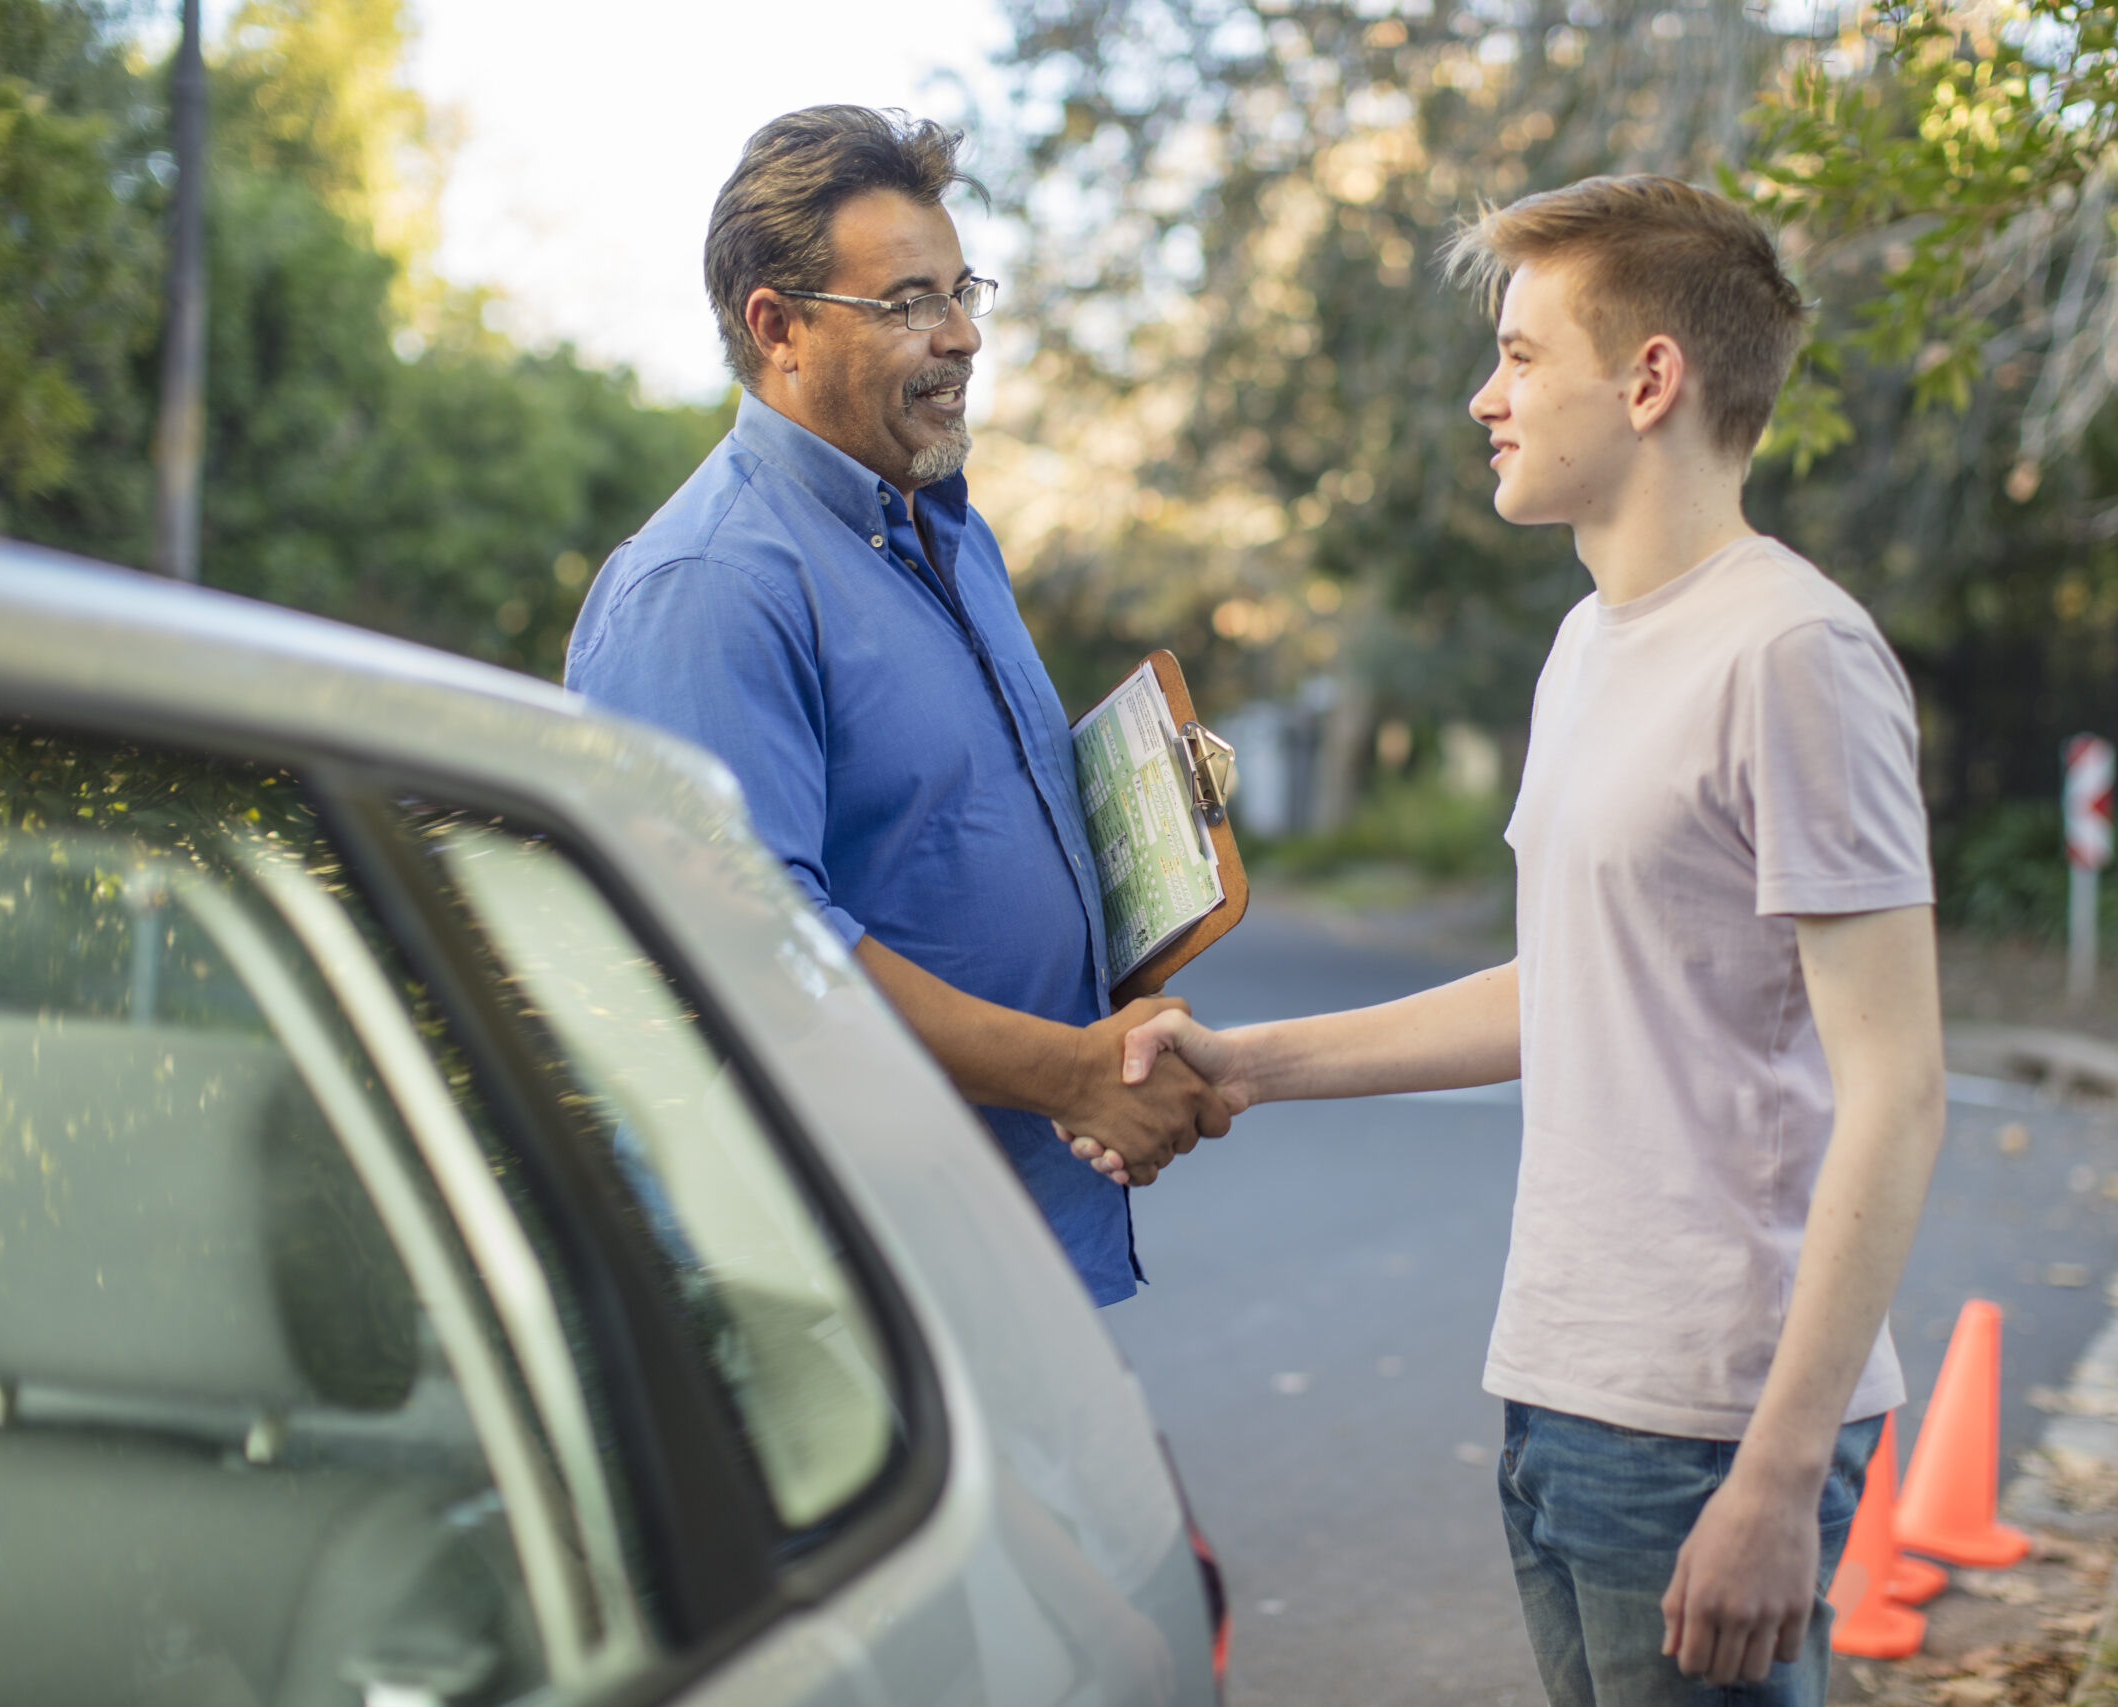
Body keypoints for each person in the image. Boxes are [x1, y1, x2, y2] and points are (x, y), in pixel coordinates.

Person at [1081, 176, 1948, 1704]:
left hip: (1711, 1420)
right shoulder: (1586, 644)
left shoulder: (1793, 654)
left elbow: (1900, 1086)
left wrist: (1775, 1470)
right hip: (1565, 1385)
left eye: (1522, 355)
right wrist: (1250, 1062)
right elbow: (1579, 987)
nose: (1487, 398)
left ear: (1652, 378)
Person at [567, 106, 1227, 1310]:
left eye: (963, 289)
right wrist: (1068, 1074)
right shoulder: (711, 585)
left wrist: (1135, 946)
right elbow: (756, 944)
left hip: (1003, 1238)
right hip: (837, 1280)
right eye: (911, 302)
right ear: (778, 327)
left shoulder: (948, 534)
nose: (964, 334)